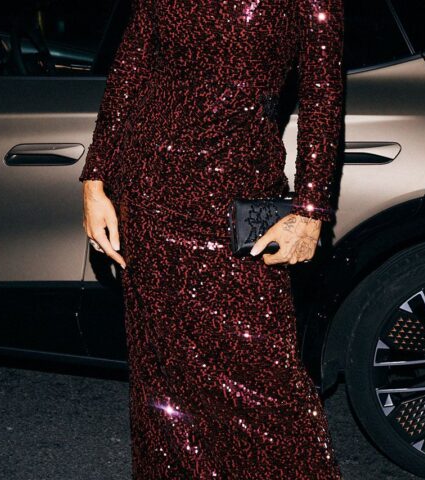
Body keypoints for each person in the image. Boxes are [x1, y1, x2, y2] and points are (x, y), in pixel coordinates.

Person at [79, 0, 345, 477]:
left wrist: (311, 209)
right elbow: (132, 66)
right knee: (164, 385)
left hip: (235, 198)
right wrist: (95, 182)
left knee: (267, 386)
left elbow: (322, 91)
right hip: (148, 195)